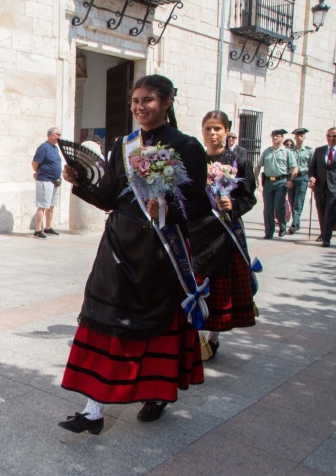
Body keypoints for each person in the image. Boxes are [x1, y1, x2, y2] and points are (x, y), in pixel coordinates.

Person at [58, 75, 209, 435]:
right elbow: (112, 197)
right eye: (135, 100)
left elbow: (199, 205)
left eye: (149, 100)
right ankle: (93, 410)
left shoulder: (186, 147)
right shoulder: (123, 144)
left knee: (152, 323)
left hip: (159, 251)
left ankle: (156, 394)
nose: (140, 107)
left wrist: (168, 210)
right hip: (120, 242)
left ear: (167, 102)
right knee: (103, 315)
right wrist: (80, 180)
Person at [190, 111, 257, 357]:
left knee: (219, 284)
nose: (213, 133)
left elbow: (249, 197)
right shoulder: (195, 159)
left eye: (218, 128)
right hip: (197, 230)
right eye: (208, 128)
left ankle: (212, 337)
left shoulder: (237, 161)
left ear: (227, 131)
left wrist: (234, 206)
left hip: (223, 231)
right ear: (202, 130)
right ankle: (193, 332)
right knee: (195, 281)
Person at [255, 129, 298, 239]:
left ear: (282, 138)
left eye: (278, 136)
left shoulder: (287, 152)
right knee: (268, 208)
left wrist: (291, 180)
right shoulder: (267, 151)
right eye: (273, 136)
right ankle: (269, 231)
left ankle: (282, 226)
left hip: (281, 182)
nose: (275, 138)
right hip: (269, 182)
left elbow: (294, 167)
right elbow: (258, 166)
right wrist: (255, 178)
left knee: (278, 206)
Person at [32, 127, 63, 239]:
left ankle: (48, 227)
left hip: (55, 181)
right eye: (59, 134)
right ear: (52, 135)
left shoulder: (55, 148)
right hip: (45, 180)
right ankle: (38, 230)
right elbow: (35, 163)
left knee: (51, 205)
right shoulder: (43, 147)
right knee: (42, 205)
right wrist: (39, 172)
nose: (60, 136)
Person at [309, 128, 336, 247]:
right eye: (329, 135)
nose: (331, 138)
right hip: (320, 186)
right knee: (321, 212)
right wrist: (312, 177)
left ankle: (326, 238)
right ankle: (323, 233)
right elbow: (312, 168)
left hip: (334, 187)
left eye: (334, 136)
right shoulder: (319, 151)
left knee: (329, 213)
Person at [288, 128, 313, 235]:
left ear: (304, 137)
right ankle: (296, 222)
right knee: (292, 200)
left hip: (303, 177)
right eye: (297, 136)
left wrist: (311, 178)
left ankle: (294, 224)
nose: (299, 138)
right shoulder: (290, 151)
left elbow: (312, 166)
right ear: (294, 137)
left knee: (298, 202)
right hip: (291, 177)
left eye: (301, 135)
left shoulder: (309, 151)